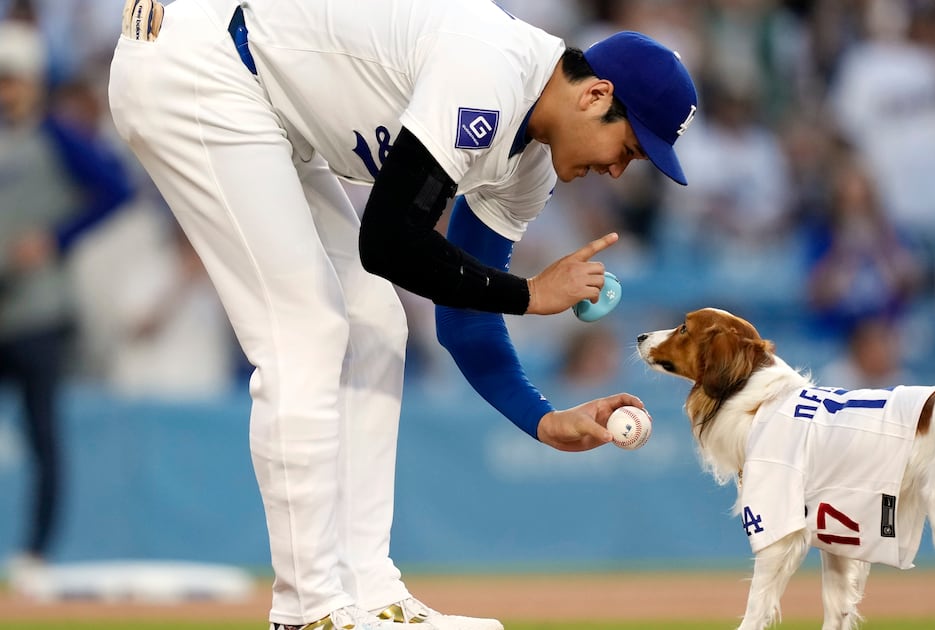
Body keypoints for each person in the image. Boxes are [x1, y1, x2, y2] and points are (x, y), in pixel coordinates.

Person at [106, 0, 698, 629]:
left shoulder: (530, 165)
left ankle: (370, 595)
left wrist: (543, 419)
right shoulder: (491, 69)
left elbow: (463, 317)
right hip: (201, 59)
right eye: (630, 147)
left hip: (265, 102)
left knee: (377, 327)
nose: (618, 169)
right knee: (305, 332)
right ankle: (307, 612)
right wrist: (529, 294)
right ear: (594, 95)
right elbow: (388, 241)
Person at [0, 18, 134, 583]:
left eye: (16, 80)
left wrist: (56, 239)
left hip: (38, 311)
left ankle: (35, 552)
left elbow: (115, 189)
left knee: (41, 433)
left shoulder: (57, 135)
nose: (9, 91)